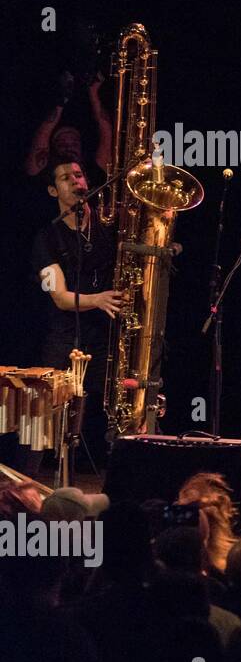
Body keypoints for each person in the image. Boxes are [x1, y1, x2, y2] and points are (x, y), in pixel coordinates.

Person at [29, 160, 121, 468]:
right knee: (48, 415)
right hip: (66, 335)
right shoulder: (46, 239)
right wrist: (98, 299)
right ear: (53, 190)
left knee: (118, 411)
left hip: (110, 334)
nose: (76, 182)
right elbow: (59, 297)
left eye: (79, 175)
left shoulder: (112, 224)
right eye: (66, 178)